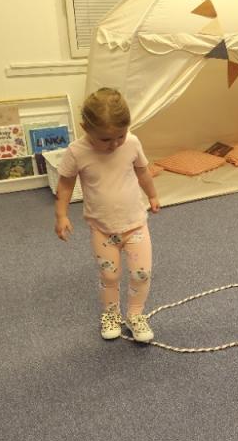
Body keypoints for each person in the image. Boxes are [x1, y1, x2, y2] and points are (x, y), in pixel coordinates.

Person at [54, 88, 160, 343]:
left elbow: (143, 171)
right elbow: (65, 184)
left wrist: (153, 195)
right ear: (85, 128)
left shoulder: (132, 143)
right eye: (105, 139)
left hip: (135, 225)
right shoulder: (77, 152)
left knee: (141, 274)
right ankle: (111, 314)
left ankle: (135, 315)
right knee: (109, 276)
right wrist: (61, 215)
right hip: (102, 229)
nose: (113, 144)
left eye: (119, 136)